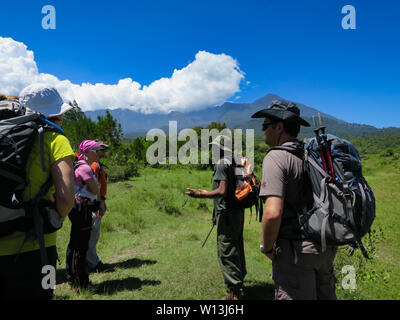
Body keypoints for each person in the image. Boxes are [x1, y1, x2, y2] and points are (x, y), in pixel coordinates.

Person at [251, 99, 337, 300]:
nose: (263, 131)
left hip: (297, 253)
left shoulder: (276, 157)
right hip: (325, 247)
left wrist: (268, 247)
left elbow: (272, 213)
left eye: (265, 126)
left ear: (279, 127)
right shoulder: (313, 155)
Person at [0, 84, 76, 300]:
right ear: (56, 114)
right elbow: (66, 196)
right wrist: (53, 220)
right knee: (45, 293)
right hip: (38, 250)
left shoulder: (4, 135)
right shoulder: (55, 139)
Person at [185, 135, 246, 300]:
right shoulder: (237, 161)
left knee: (226, 250)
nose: (212, 149)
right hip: (237, 212)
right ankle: (240, 279)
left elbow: (222, 191)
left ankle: (234, 292)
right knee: (237, 245)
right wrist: (215, 213)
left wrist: (200, 195)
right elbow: (238, 188)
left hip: (226, 214)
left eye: (214, 147)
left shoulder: (221, 163)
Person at [65, 140, 105, 292]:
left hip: (77, 209)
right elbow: (95, 190)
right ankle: (83, 284)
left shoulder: (78, 165)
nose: (98, 152)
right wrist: (98, 186)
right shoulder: (85, 168)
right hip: (84, 210)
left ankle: (71, 280)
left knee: (73, 244)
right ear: (88, 153)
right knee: (81, 247)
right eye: (96, 150)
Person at [86, 140, 113, 272]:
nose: (104, 152)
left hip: (96, 202)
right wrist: (99, 203)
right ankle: (92, 263)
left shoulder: (97, 165)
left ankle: (91, 261)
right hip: (94, 204)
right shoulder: (95, 166)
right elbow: (94, 187)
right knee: (93, 234)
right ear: (96, 151)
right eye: (102, 149)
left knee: (93, 234)